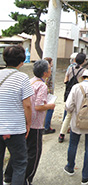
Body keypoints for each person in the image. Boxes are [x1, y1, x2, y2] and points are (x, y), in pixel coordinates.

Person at [4, 59, 55, 185]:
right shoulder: (42, 86)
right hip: (35, 123)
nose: (50, 70)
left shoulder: (30, 81)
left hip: (24, 122)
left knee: (18, 152)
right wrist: (50, 106)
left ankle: (8, 176)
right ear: (45, 72)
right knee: (34, 153)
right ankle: (27, 178)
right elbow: (38, 106)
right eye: (49, 68)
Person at [64, 70, 88, 185]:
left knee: (73, 144)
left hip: (76, 122)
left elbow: (68, 106)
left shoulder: (76, 87)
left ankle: (70, 167)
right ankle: (85, 176)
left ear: (83, 77)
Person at [0, 45, 33, 185]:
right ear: (22, 61)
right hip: (15, 128)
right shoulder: (23, 78)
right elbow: (27, 105)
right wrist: (28, 123)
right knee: (19, 163)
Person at [58, 53, 86, 143]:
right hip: (78, 93)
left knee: (68, 114)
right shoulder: (84, 71)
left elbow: (65, 80)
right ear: (84, 61)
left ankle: (62, 134)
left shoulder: (70, 68)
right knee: (78, 112)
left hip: (69, 92)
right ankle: (74, 130)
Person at [43, 57, 56, 134]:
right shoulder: (48, 73)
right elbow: (46, 83)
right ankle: (47, 127)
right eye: (51, 62)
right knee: (50, 109)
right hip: (47, 93)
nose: (52, 64)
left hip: (46, 93)